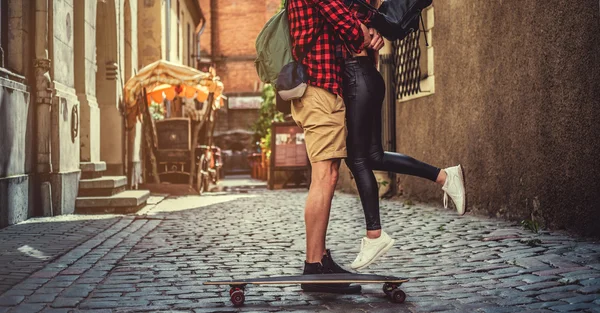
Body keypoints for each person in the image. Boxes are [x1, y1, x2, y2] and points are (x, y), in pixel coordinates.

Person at [341, 0, 467, 271]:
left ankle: (374, 234)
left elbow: (355, 20)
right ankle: (445, 176)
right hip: (366, 76)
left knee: (357, 159)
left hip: (356, 76)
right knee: (372, 155)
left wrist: (367, 27)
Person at [287, 0, 374, 294]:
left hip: (320, 90)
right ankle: (313, 266)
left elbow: (351, 15)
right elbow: (351, 30)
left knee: (328, 175)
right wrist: (365, 30)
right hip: (319, 90)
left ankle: (320, 259)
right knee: (324, 177)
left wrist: (366, 25)